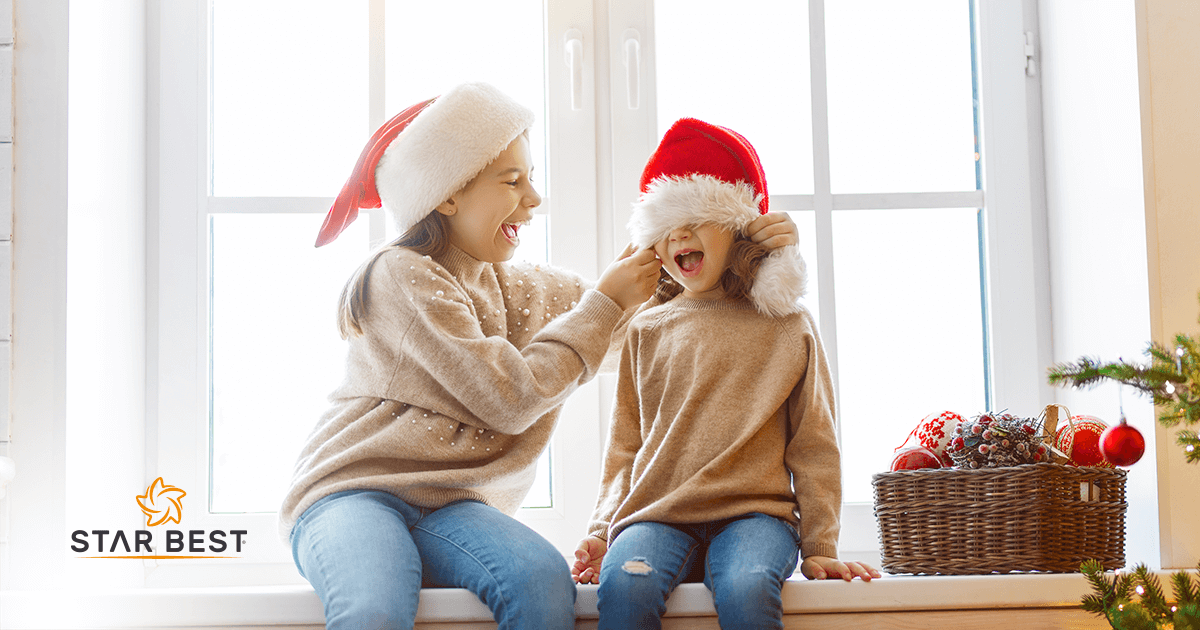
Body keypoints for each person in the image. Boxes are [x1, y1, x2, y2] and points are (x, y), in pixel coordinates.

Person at [278, 84, 799, 630]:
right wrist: (607, 301)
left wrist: (747, 249)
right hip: (352, 493)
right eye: (512, 180)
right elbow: (508, 397)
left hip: (452, 507)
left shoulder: (518, 287)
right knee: (373, 607)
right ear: (448, 194)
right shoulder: (401, 275)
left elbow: (639, 320)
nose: (534, 198)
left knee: (543, 581)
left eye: (532, 178)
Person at [571, 118, 879, 630]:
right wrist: (603, 529)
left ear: (739, 226)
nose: (680, 234)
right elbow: (625, 444)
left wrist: (821, 544)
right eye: (665, 224)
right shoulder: (646, 328)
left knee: (748, 586)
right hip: (657, 516)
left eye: (697, 216)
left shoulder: (788, 325)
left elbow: (814, 441)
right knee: (624, 585)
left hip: (756, 518)